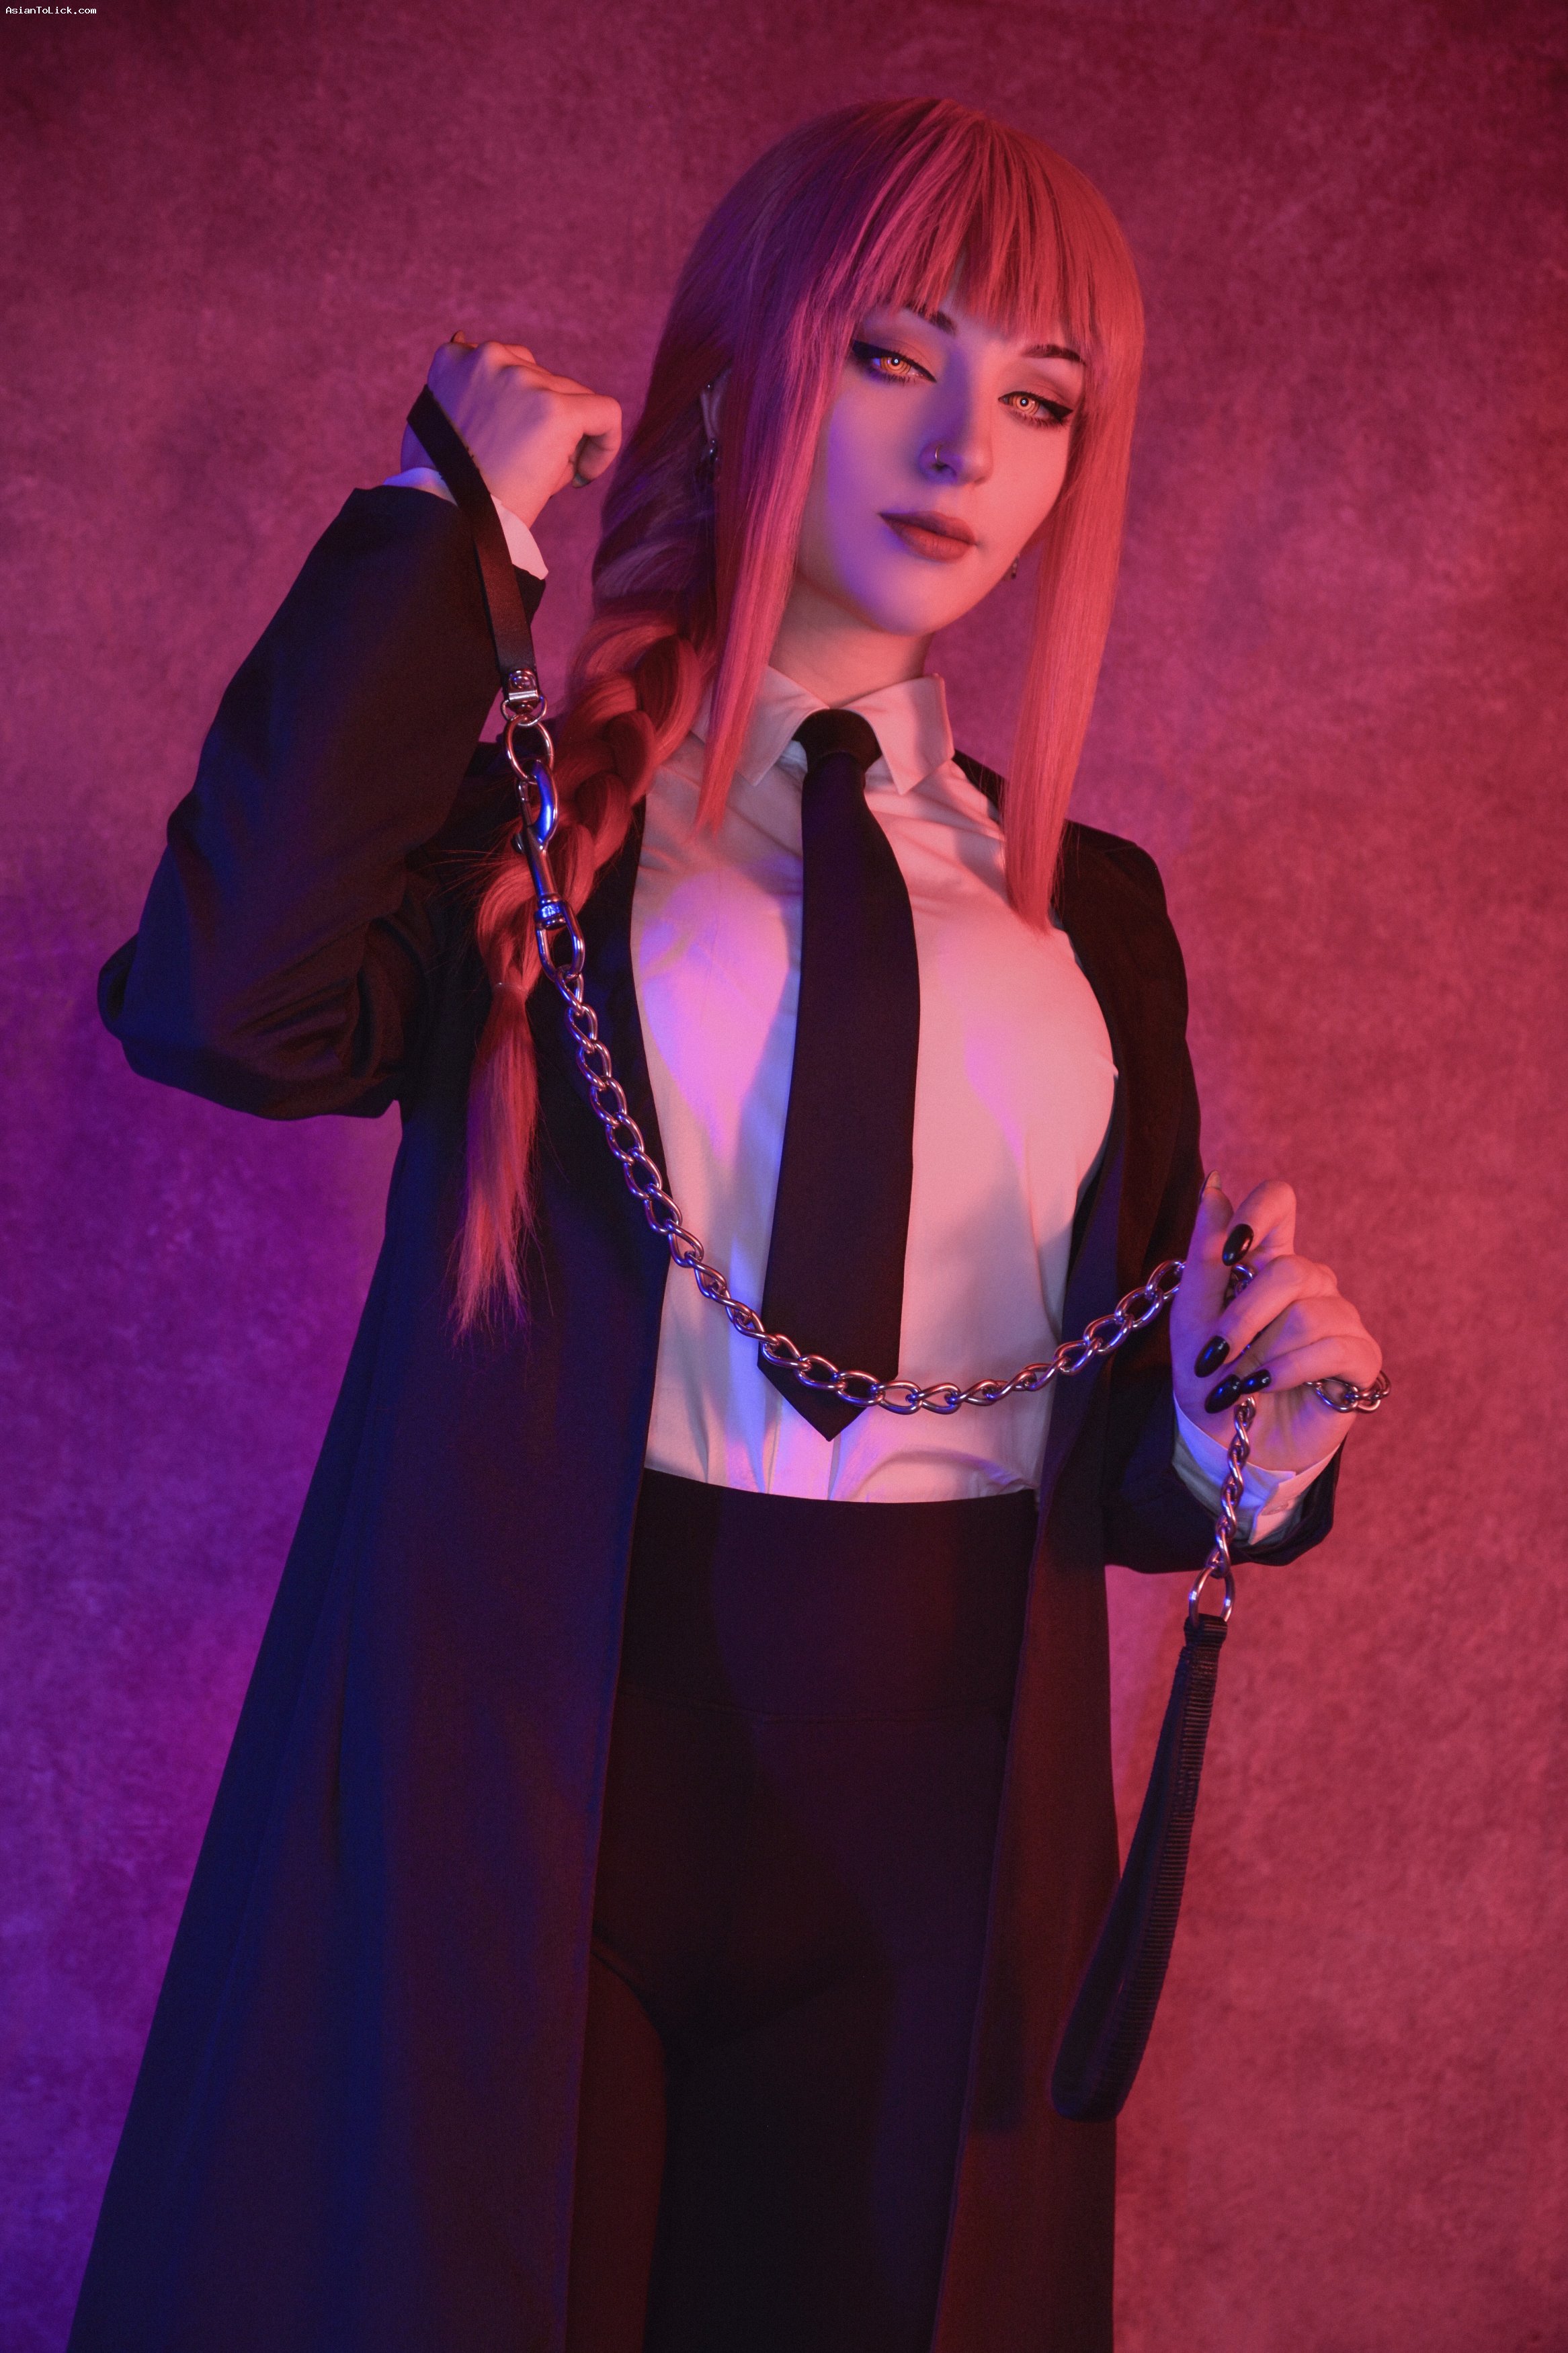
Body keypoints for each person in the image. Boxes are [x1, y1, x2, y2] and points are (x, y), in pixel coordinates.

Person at [69, 99, 1383, 2353]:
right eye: (894, 355)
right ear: (749, 366)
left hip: (945, 1809)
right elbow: (221, 1003)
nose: (967, 448)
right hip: (532, 1760)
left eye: (1043, 399)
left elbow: (1121, 1467)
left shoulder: (1099, 920)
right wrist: (438, 524)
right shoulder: (541, 831)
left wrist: (1243, 1435)